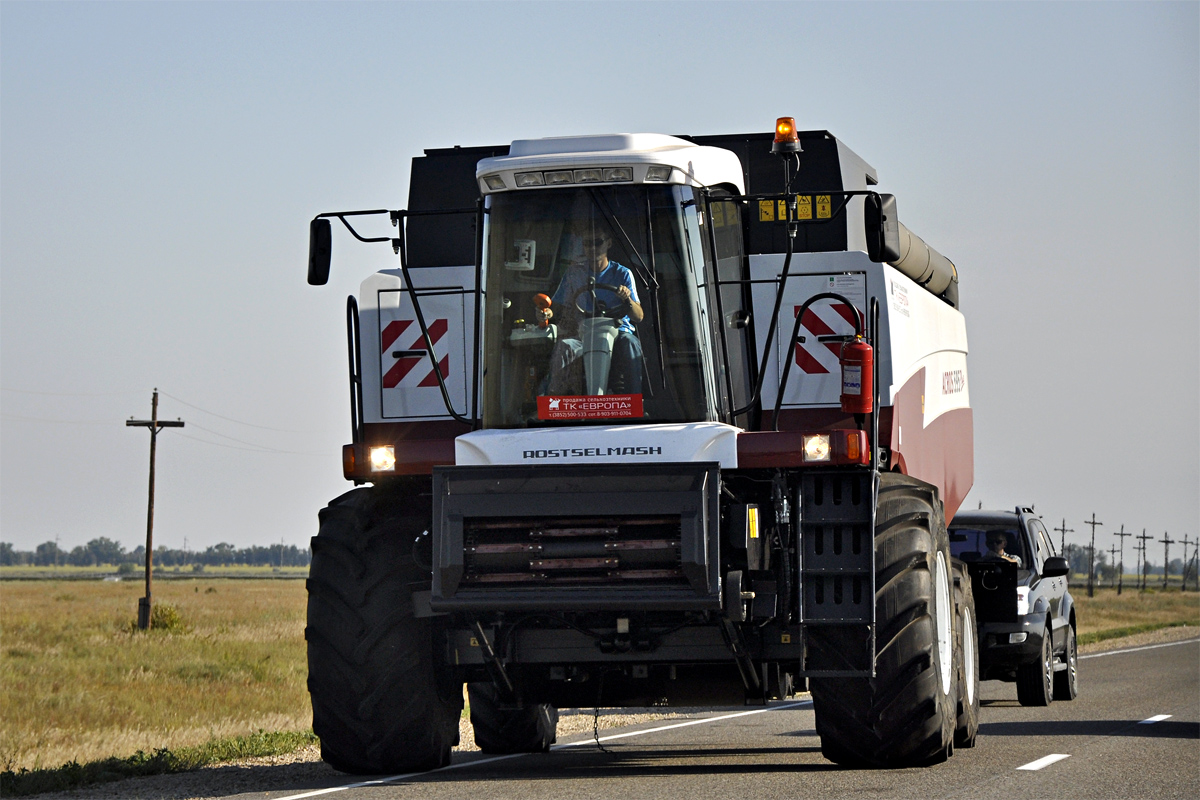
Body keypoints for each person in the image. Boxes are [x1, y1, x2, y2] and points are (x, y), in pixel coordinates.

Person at [537, 231, 644, 395]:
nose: (592, 247)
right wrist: (546, 313)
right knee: (564, 346)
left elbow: (639, 316)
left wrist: (627, 299)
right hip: (583, 334)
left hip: (617, 334)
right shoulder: (574, 273)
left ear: (608, 243)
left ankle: (634, 402)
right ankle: (554, 403)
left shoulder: (623, 274)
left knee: (630, 343)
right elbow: (556, 308)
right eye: (587, 243)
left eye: (597, 242)